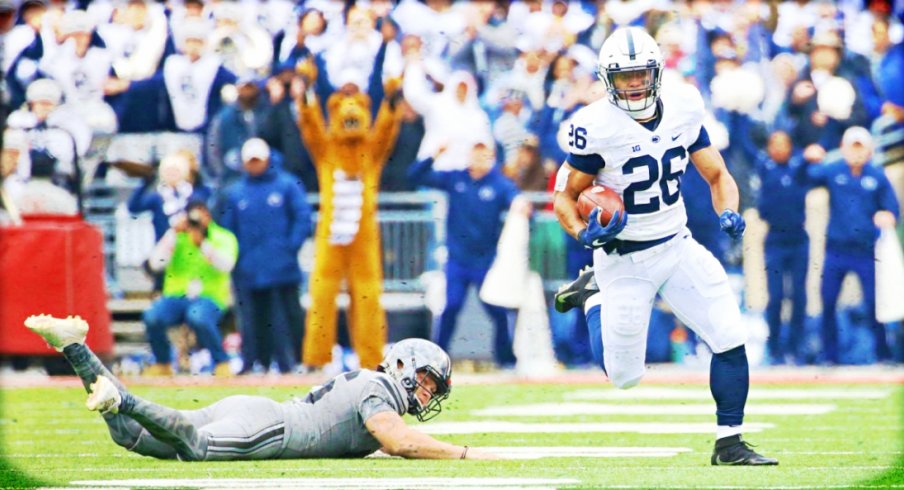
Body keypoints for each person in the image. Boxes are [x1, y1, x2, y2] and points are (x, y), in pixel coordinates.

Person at [552, 27, 777, 465]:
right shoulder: (593, 126)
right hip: (623, 257)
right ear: (607, 79)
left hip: (677, 244)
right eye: (624, 76)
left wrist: (727, 210)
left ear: (656, 72)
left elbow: (717, 175)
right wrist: (581, 233)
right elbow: (563, 195)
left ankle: (729, 443)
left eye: (641, 74)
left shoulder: (685, 104)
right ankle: (594, 293)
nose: (634, 83)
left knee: (730, 336)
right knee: (624, 377)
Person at [23, 314, 498, 461]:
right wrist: (462, 453)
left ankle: (75, 349)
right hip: (269, 428)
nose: (427, 395)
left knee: (132, 437)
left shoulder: (372, 385)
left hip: (258, 411)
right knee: (191, 444)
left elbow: (389, 441)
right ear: (404, 366)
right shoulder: (381, 391)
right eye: (427, 381)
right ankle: (119, 396)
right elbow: (400, 441)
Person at [407, 142, 528, 368]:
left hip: (485, 260)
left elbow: (515, 197)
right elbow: (415, 176)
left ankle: (506, 359)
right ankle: (435, 359)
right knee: (451, 306)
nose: (478, 161)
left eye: (484, 157)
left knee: (497, 309)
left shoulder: (498, 183)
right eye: (475, 156)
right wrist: (433, 155)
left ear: (491, 159)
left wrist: (520, 203)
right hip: (458, 259)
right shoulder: (456, 179)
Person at [218, 138, 312, 374]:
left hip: (282, 267)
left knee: (284, 318)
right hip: (248, 268)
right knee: (250, 320)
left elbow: (302, 218)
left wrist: (290, 247)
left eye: (258, 160)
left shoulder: (286, 185)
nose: (254, 165)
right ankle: (252, 361)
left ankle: (290, 362)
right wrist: (235, 258)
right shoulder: (236, 192)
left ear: (267, 159)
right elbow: (227, 229)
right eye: (250, 161)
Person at [807, 126, 900, 364]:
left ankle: (882, 354)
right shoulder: (833, 171)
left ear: (869, 150)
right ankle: (829, 356)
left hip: (865, 251)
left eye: (861, 148)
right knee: (827, 301)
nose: (857, 153)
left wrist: (886, 215)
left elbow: (892, 208)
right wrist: (807, 156)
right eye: (853, 147)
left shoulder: (876, 176)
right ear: (844, 149)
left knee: (873, 303)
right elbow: (807, 176)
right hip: (837, 250)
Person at [142, 200, 238, 376]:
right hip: (177, 296)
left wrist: (202, 243)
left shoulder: (222, 237)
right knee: (152, 316)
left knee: (198, 317)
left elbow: (227, 265)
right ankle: (163, 363)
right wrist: (171, 234)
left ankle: (221, 362)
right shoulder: (177, 236)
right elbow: (156, 264)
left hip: (210, 297)